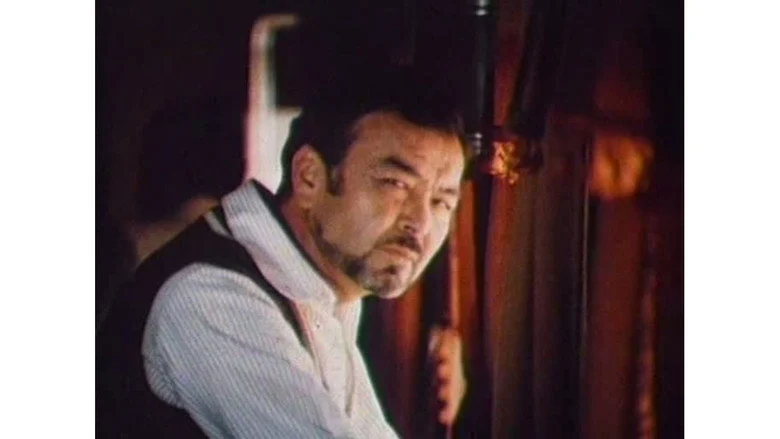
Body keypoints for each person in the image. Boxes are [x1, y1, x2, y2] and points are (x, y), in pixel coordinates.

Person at [97, 70, 468, 438]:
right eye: (396, 184)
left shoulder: (322, 291)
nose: (421, 223)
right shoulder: (213, 296)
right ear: (309, 177)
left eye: (441, 202)